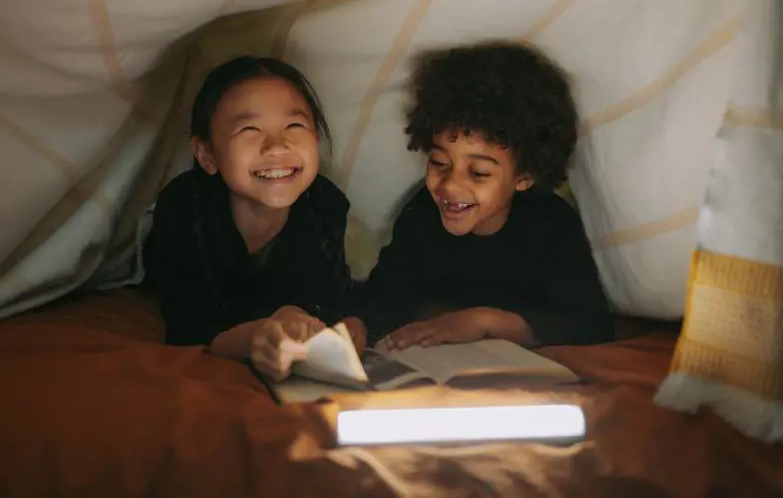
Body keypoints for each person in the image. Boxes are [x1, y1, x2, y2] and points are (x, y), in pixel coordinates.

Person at [356, 41, 614, 350]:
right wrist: (355, 326)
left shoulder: (552, 225)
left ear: (525, 176)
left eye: (478, 173)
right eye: (440, 163)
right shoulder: (422, 214)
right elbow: (385, 296)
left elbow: (589, 323)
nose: (450, 186)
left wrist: (485, 322)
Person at [143, 56, 365, 382]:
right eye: (249, 129)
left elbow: (327, 298)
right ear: (206, 154)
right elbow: (188, 324)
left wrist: (325, 323)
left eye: (294, 126)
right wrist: (254, 337)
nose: (277, 146)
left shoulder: (324, 203)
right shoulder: (183, 207)